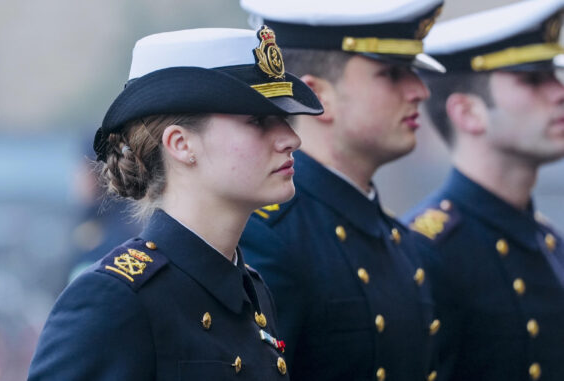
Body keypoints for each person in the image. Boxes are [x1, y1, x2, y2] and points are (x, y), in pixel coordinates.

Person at [27, 26, 323, 380]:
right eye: (258, 121)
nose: (291, 138)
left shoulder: (251, 289)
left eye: (285, 119)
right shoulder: (114, 299)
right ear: (181, 144)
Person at [238, 1, 445, 380]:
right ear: (318, 96)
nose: (419, 90)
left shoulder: (396, 238)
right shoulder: (268, 237)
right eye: (393, 74)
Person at [403, 1, 564, 380]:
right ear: (467, 113)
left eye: (554, 76)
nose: (559, 92)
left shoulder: (548, 241)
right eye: (532, 80)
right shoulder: (425, 251)